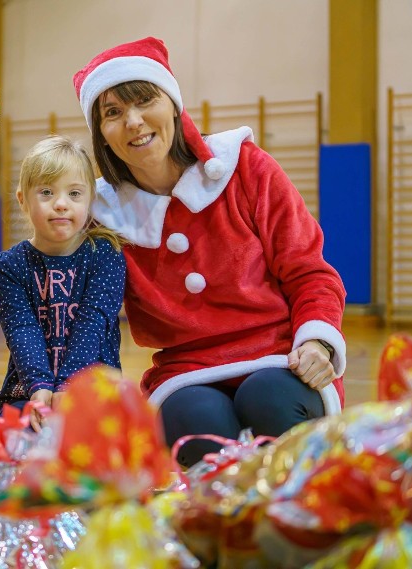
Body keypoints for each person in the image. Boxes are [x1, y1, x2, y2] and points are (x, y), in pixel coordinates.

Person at [71, 37, 346, 466]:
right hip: (187, 374)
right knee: (193, 419)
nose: (133, 121)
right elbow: (73, 316)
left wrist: (319, 344)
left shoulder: (247, 167)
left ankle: (301, 516)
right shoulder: (101, 216)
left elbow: (309, 271)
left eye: (145, 101)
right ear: (101, 135)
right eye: (112, 113)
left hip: (285, 355)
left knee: (269, 396)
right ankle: (230, 526)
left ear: (175, 105)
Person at [0, 135, 126, 440]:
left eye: (74, 194)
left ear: (89, 201)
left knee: (90, 438)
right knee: (29, 434)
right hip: (32, 387)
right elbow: (22, 331)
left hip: (92, 387)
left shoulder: (105, 254)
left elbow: (93, 321)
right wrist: (41, 389)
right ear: (23, 200)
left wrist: (67, 386)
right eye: (46, 192)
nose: (61, 204)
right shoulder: (9, 265)